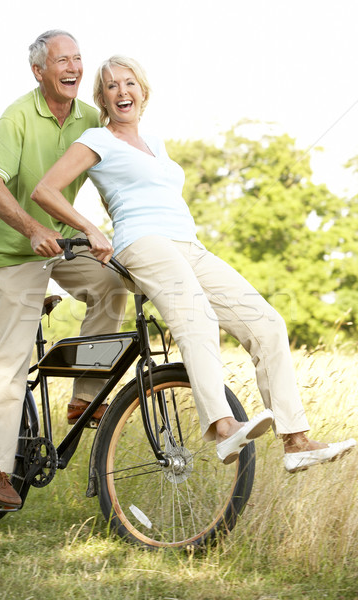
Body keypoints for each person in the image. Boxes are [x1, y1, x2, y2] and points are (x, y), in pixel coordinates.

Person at [32, 55, 356, 473]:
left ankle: (296, 441)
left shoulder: (158, 146)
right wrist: (92, 229)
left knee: (268, 322)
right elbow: (46, 190)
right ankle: (223, 428)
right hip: (142, 243)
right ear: (103, 99)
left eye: (129, 83)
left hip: (188, 245)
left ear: (143, 92)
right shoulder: (98, 139)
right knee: (196, 316)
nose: (121, 91)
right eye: (111, 86)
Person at [0, 35, 127, 509]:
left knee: (113, 284)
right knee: (12, 360)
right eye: (63, 60)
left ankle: (84, 396)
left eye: (78, 58)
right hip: (14, 251)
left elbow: (109, 171)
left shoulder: (87, 117)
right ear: (39, 71)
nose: (74, 67)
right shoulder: (17, 116)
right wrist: (32, 226)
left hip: (63, 246)